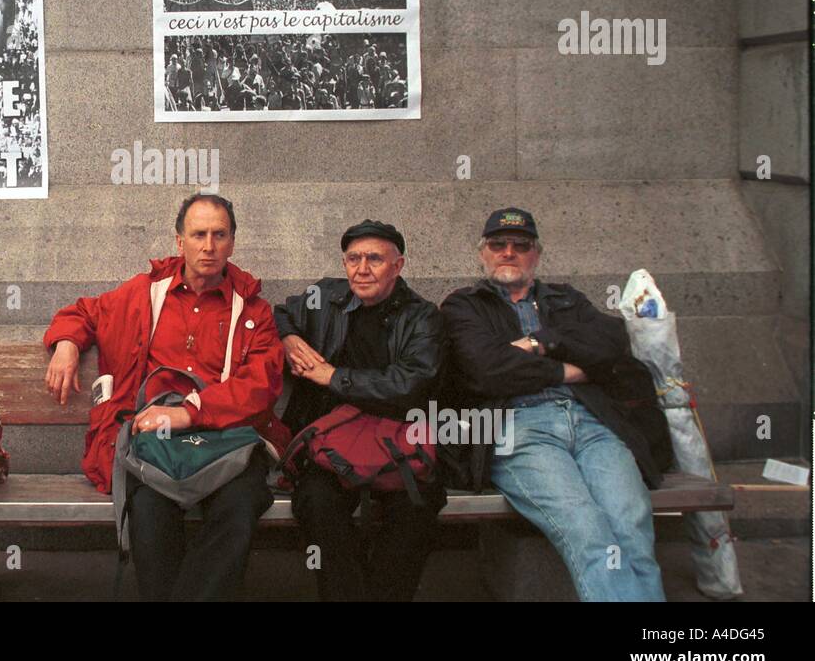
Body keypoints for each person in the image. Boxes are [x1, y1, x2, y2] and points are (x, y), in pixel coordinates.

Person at [43, 193, 285, 601]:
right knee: (150, 516)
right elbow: (83, 313)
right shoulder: (144, 293)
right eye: (199, 234)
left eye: (219, 235)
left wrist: (193, 412)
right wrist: (67, 344)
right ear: (180, 242)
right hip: (154, 442)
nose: (209, 246)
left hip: (224, 441)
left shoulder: (253, 311)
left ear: (232, 242)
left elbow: (261, 384)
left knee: (241, 507)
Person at [440, 208, 666, 602]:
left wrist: (538, 343)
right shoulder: (464, 305)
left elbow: (611, 344)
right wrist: (569, 369)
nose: (508, 252)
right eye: (498, 244)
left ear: (536, 254)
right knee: (587, 529)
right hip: (520, 427)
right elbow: (485, 369)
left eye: (520, 245)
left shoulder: (566, 298)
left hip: (594, 422)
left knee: (632, 527)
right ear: (483, 253)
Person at [275, 220, 446, 601]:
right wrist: (288, 339)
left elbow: (411, 383)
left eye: (374, 259)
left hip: (399, 444)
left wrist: (334, 376)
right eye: (353, 258)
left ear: (398, 265)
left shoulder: (423, 316)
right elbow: (279, 313)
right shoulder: (326, 297)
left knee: (416, 511)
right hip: (329, 446)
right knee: (318, 506)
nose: (362, 269)